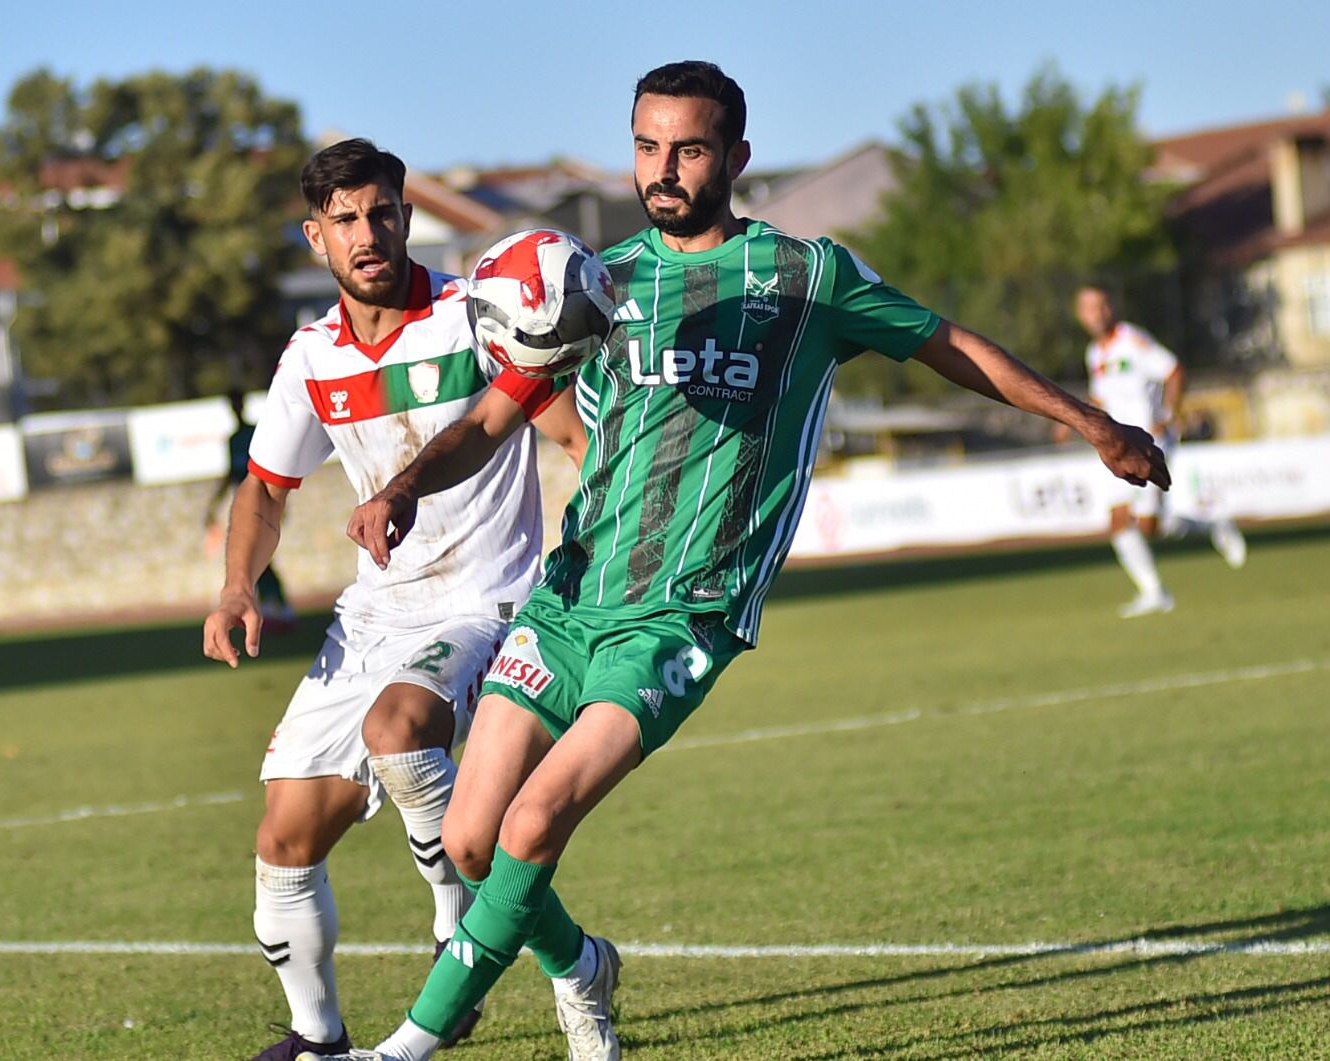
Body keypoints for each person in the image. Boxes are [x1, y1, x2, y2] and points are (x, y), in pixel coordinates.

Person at [318, 62, 1168, 1061]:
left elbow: (951, 346)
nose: (662, 169)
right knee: (470, 840)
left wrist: (1093, 421)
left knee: (535, 818)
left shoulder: (807, 278)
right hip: (568, 598)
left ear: (734, 158)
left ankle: (404, 1044)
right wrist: (402, 487)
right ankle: (582, 966)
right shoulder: (598, 283)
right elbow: (494, 415)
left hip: (686, 615)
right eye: (645, 146)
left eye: (686, 149)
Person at [200, 138, 587, 1061]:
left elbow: (572, 433)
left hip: (484, 602)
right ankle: (318, 1035)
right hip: (373, 615)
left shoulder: (474, 316)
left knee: (400, 727)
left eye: (382, 213)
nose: (367, 234)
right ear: (315, 237)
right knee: (283, 841)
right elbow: (263, 488)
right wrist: (236, 584)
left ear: (407, 217)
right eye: (345, 221)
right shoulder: (311, 357)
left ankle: (453, 931)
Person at [1069, 284, 1246, 617]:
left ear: (1112, 307)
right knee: (1120, 522)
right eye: (1090, 308)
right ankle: (1154, 593)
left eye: (1102, 305)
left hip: (1147, 441)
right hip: (1116, 444)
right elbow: (1102, 397)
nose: (1098, 314)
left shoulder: (1132, 340)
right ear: (1081, 315)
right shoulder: (1094, 353)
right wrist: (1072, 419)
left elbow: (1173, 369)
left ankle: (1213, 524)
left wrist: (1167, 413)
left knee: (1149, 526)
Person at [207, 389, 296, 631]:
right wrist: (214, 504)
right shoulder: (233, 439)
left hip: (263, 500)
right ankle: (272, 607)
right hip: (243, 505)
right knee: (254, 557)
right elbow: (231, 475)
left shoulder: (254, 433)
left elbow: (269, 468)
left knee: (260, 555)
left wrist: (278, 502)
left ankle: (279, 607)